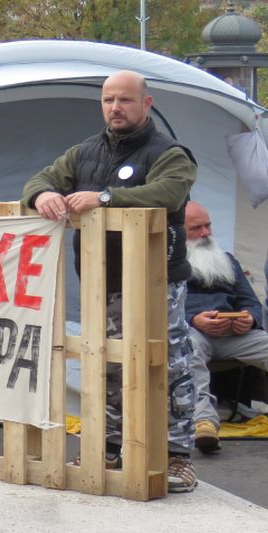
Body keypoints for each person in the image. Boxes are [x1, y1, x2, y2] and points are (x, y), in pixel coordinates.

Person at [22, 70, 199, 492]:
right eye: (108, 101)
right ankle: (107, 448)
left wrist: (105, 198)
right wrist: (41, 195)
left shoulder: (170, 153)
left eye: (125, 100)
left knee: (170, 368)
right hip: (103, 283)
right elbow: (39, 179)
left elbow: (169, 193)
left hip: (159, 283)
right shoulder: (84, 153)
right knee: (106, 366)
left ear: (146, 104)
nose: (115, 108)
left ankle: (177, 457)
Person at [183, 201, 268, 454]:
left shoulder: (227, 260)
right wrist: (193, 318)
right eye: (196, 228)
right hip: (194, 331)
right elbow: (159, 306)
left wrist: (249, 319)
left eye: (208, 226)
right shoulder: (167, 263)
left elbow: (251, 302)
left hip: (234, 335)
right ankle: (204, 421)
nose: (206, 233)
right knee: (188, 347)